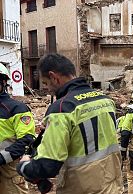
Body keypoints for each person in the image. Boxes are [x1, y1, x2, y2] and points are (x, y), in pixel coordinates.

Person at [16, 53, 123, 193]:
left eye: (46, 83)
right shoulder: (105, 100)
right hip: (111, 186)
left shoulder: (61, 109)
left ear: (53, 77)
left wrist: (23, 166)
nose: (47, 89)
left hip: (81, 187)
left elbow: (48, 165)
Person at [0, 64, 35, 194]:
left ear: (3, 82)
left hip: (9, 170)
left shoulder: (17, 109)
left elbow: (27, 140)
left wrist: (2, 157)